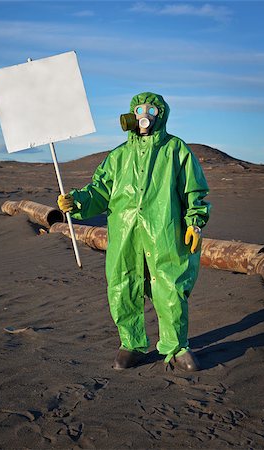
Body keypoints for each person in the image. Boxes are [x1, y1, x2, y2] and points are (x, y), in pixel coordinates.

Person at [58, 92, 210, 372]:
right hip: (125, 235)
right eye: (139, 109)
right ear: (131, 113)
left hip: (165, 234)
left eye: (151, 110)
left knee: (170, 287)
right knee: (123, 286)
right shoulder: (118, 157)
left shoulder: (176, 150)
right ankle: (131, 343)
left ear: (160, 115)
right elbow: (99, 190)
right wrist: (77, 201)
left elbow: (194, 191)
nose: (144, 115)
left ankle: (176, 347)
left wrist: (194, 222)